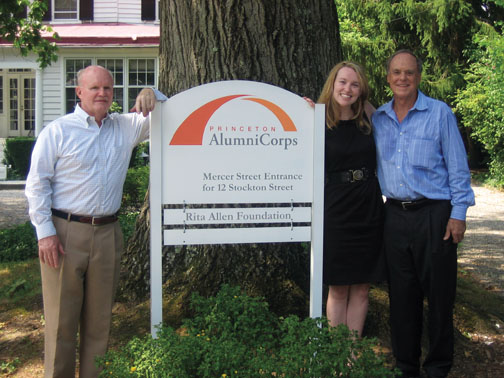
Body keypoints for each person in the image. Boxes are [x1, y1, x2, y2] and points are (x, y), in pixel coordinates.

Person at [25, 65, 165, 378]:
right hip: (64, 234)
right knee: (61, 322)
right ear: (79, 92)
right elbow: (37, 183)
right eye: (94, 88)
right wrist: (45, 234)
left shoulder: (125, 127)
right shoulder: (58, 131)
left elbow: (166, 116)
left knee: (100, 323)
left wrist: (152, 93)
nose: (102, 94)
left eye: (107, 88)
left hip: (107, 233)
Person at [372, 50, 475, 378]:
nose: (403, 78)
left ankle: (438, 367)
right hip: (395, 217)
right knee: (401, 296)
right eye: (397, 73)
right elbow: (339, 119)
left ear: (419, 76)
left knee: (440, 296)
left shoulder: (439, 113)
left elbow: (458, 168)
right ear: (388, 77)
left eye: (410, 73)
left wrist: (458, 214)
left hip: (436, 215)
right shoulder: (378, 118)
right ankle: (406, 365)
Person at [311, 61, 386, 337]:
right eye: (342, 82)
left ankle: (353, 358)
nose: (348, 89)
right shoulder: (317, 118)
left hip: (368, 207)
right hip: (336, 210)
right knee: (339, 286)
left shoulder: (369, 116)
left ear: (361, 89)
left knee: (363, 287)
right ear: (332, 84)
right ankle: (337, 354)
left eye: (354, 84)